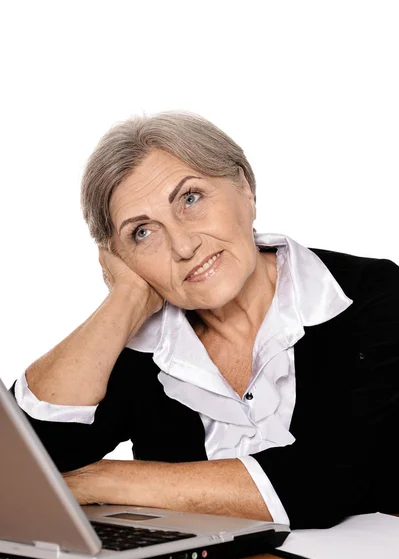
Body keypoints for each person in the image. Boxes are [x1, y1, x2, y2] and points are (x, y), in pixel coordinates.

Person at [10, 111, 399, 530]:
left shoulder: (373, 297)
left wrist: (100, 479)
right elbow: (22, 464)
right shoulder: (145, 350)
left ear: (245, 188)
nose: (183, 245)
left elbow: (333, 479)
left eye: (190, 199)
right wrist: (123, 300)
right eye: (142, 233)